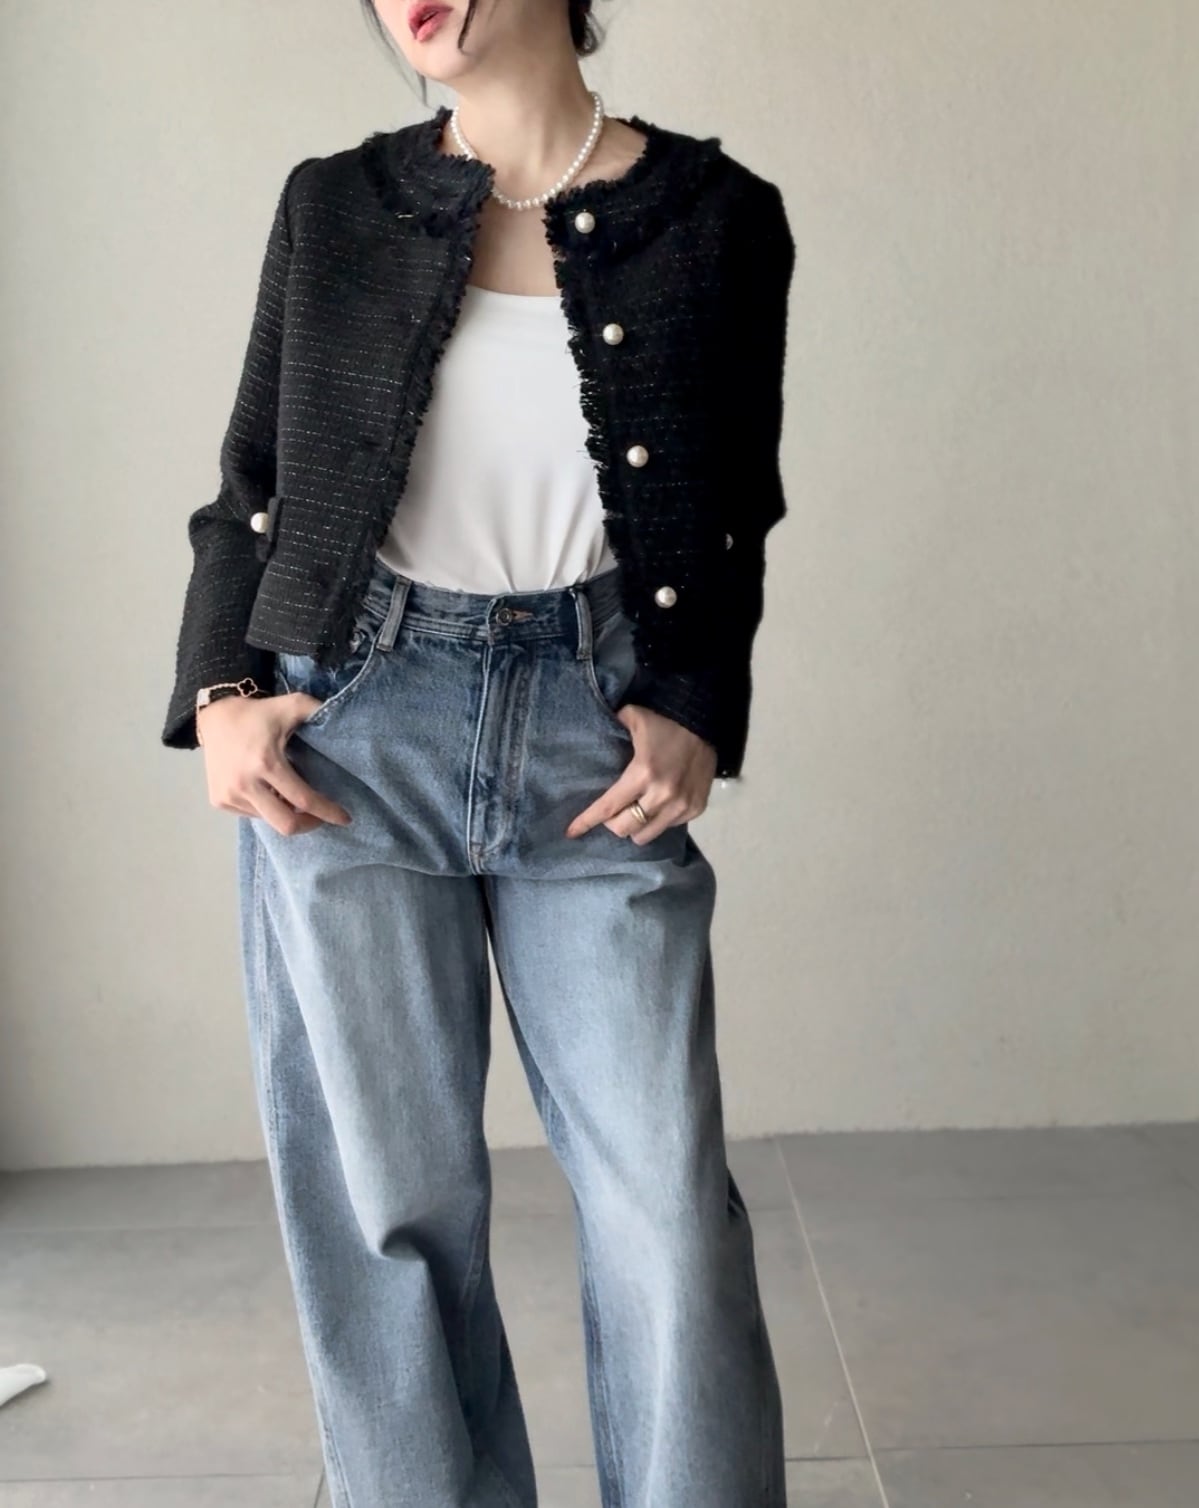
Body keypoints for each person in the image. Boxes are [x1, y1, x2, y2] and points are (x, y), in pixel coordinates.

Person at [160, 1, 796, 1503]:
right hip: (352, 735)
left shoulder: (718, 217)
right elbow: (251, 485)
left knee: (666, 1212)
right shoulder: (334, 203)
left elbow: (736, 504)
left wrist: (696, 697)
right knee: (389, 1212)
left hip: (594, 737)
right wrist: (219, 690)